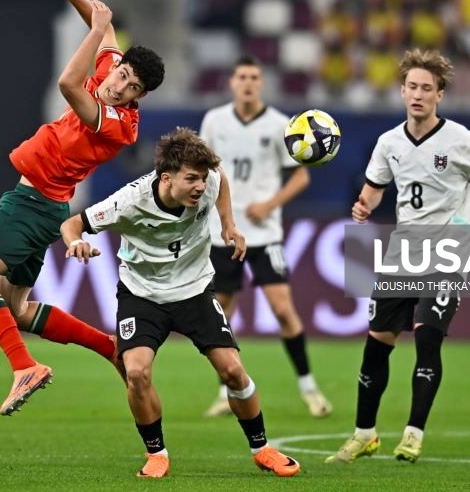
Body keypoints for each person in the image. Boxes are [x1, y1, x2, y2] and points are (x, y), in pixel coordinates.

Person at [0, 0, 165, 416]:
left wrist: (92, 31)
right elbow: (105, 27)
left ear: (139, 98)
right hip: (45, 206)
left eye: (132, 90)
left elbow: (69, 84)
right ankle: (109, 347)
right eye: (123, 76)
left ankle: (23, 367)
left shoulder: (116, 123)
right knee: (19, 309)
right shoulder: (110, 71)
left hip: (33, 207)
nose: (119, 87)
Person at [60, 129, 300, 478]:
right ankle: (156, 454)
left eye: (202, 178)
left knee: (233, 371)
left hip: (194, 290)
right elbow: (72, 224)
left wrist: (229, 225)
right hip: (142, 296)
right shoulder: (127, 202)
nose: (200, 186)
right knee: (137, 372)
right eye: (191, 179)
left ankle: (262, 449)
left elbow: (220, 180)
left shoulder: (209, 180)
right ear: (166, 178)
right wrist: (75, 242)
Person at [326, 49, 470, 464]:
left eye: (427, 88)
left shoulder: (462, 141)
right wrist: (363, 205)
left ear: (440, 95)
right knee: (376, 345)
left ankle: (413, 433)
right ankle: (364, 434)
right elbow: (375, 187)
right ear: (402, 91)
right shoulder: (389, 143)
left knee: (427, 336)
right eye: (412, 87)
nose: (418, 94)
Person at [198, 55, 331, 418]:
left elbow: (301, 176)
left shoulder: (279, 125)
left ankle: (309, 387)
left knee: (283, 309)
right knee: (222, 314)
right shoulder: (214, 121)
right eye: (242, 76)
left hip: (265, 233)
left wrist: (270, 203)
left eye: (255, 77)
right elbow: (201, 169)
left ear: (262, 83)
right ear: (232, 81)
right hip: (223, 232)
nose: (248, 83)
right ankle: (228, 392)